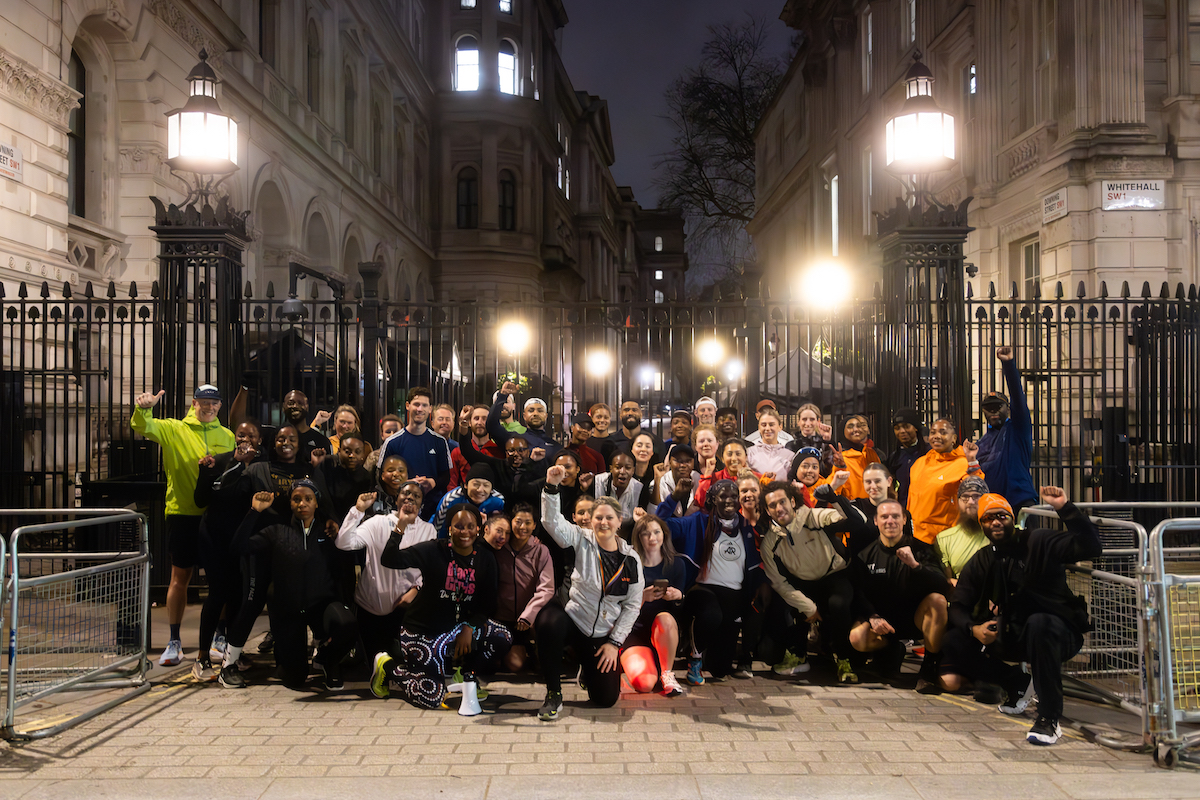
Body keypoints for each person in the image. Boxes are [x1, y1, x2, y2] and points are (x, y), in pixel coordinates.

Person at [941, 487, 1101, 746]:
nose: (995, 522)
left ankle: (1048, 717)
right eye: (988, 518)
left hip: (1058, 633)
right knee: (953, 640)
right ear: (981, 525)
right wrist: (974, 629)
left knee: (1039, 623)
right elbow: (958, 606)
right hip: (1015, 633)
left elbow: (1091, 547)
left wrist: (1064, 507)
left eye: (1001, 516)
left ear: (1012, 519)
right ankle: (1017, 683)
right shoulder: (984, 559)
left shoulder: (1039, 541)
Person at [371, 503, 511, 715]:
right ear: (449, 528)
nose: (465, 532)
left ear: (478, 529)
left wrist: (470, 627)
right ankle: (387, 665)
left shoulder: (485, 558)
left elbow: (488, 603)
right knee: (431, 698)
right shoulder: (433, 549)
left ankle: (466, 675)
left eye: (470, 526)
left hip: (458, 627)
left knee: (502, 635)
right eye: (459, 526)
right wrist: (401, 525)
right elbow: (389, 559)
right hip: (423, 631)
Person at [131, 384, 235, 666]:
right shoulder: (175, 429)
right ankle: (174, 641)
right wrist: (144, 408)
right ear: (194, 403)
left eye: (214, 402)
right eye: (204, 402)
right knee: (180, 577)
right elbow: (143, 426)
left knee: (219, 579)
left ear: (220, 405)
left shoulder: (227, 436)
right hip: (183, 513)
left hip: (215, 515)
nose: (209, 407)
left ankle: (220, 636)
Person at [537, 470, 644, 720]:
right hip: (574, 620)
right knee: (548, 622)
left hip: (601, 633)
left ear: (619, 521)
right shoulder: (580, 538)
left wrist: (614, 643)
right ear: (591, 520)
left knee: (605, 700)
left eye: (609, 518)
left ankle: (588, 668)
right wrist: (551, 487)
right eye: (598, 518)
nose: (603, 522)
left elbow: (632, 605)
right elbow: (551, 523)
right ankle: (554, 693)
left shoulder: (631, 559)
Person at [233, 483, 359, 690]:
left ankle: (327, 660)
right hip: (288, 610)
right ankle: (287, 658)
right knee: (296, 678)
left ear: (316, 503)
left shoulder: (328, 532)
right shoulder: (276, 531)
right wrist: (254, 511)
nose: (302, 504)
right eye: (297, 499)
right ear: (290, 504)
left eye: (308, 499)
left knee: (347, 624)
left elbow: (340, 569)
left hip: (320, 606)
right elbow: (239, 547)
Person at [657, 479, 761, 684]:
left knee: (720, 669)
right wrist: (674, 497)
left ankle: (707, 651)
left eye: (734, 496)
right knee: (711, 615)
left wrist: (759, 586)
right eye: (723, 496)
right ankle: (694, 658)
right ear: (713, 500)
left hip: (734, 595)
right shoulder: (698, 522)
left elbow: (752, 563)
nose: (729, 500)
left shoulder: (745, 527)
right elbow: (660, 524)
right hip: (703, 590)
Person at [760, 481, 861, 684]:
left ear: (792, 501)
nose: (779, 508)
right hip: (803, 584)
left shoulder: (813, 517)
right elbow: (779, 583)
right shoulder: (769, 543)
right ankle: (798, 654)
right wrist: (808, 607)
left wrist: (835, 499)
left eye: (782, 502)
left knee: (838, 604)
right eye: (772, 505)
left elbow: (856, 521)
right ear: (767, 510)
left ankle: (844, 659)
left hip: (834, 576)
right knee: (789, 608)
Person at [849, 498, 951, 694]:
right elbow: (858, 594)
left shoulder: (921, 549)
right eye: (884, 517)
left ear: (904, 520)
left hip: (916, 620)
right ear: (876, 521)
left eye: (895, 516)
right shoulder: (865, 555)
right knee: (857, 637)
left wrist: (915, 566)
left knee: (938, 601)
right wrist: (872, 617)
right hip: (884, 623)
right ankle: (888, 651)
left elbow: (942, 586)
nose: (890, 521)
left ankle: (929, 667)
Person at [192, 420, 263, 680]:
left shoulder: (261, 466)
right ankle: (202, 657)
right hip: (214, 536)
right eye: (241, 435)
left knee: (237, 595)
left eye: (251, 436)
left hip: (242, 539)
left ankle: (232, 654)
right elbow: (201, 499)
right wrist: (233, 464)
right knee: (218, 593)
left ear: (259, 441)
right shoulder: (220, 461)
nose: (245, 439)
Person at [337, 482, 437, 659]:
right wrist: (357, 511)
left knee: (399, 660)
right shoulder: (378, 523)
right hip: (370, 606)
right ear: (396, 499)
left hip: (404, 608)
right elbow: (343, 543)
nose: (410, 497)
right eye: (406, 493)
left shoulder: (428, 530)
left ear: (421, 503)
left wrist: (416, 589)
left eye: (416, 495)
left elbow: (429, 568)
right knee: (372, 660)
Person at [621, 514, 687, 697]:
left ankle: (667, 673)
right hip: (635, 632)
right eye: (646, 533)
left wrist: (678, 596)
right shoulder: (629, 564)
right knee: (645, 685)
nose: (652, 538)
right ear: (638, 537)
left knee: (665, 618)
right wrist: (641, 598)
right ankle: (643, 665)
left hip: (664, 634)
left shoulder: (677, 564)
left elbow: (680, 613)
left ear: (664, 534)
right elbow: (618, 608)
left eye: (657, 532)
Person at [492, 502, 554, 672]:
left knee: (518, 664)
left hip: (528, 619)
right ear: (511, 522)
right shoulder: (499, 547)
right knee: (503, 664)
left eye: (528, 523)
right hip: (501, 617)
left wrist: (529, 615)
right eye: (518, 522)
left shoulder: (541, 550)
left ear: (534, 525)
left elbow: (546, 588)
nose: (522, 527)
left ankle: (533, 650)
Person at [976, 346, 1038, 511]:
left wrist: (1008, 364)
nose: (993, 411)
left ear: (1008, 409)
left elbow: (1018, 399)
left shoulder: (1017, 429)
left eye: (998, 406)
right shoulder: (981, 442)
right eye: (988, 408)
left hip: (1020, 502)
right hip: (993, 505)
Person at [379, 387, 454, 518]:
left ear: (430, 409)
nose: (420, 409)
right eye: (416, 404)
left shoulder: (440, 442)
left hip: (433, 511)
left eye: (424, 405)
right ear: (408, 406)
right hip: (400, 510)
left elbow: (446, 476)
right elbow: (381, 477)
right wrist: (406, 484)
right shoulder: (392, 442)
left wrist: (432, 482)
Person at [906, 419, 983, 544]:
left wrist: (972, 460)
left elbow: (977, 488)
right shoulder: (919, 463)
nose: (937, 436)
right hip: (915, 536)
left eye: (943, 432)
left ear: (954, 438)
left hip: (943, 538)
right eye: (933, 432)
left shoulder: (963, 463)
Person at [933, 477, 990, 582]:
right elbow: (948, 581)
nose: (970, 502)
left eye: (976, 496)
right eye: (965, 497)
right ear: (958, 501)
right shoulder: (944, 539)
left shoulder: (998, 531)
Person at [312, 429, 373, 521]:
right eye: (347, 451)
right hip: (324, 520)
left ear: (363, 454)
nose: (352, 455)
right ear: (339, 451)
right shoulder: (327, 464)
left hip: (352, 522)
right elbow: (321, 496)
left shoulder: (365, 477)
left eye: (357, 451)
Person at [431, 463, 505, 537]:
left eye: (486, 485)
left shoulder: (499, 501)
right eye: (476, 484)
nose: (480, 490)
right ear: (465, 485)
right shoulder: (451, 499)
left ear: (491, 489)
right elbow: (437, 528)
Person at [884, 408, 931, 508]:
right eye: (897, 428)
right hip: (902, 510)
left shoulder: (931, 453)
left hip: (926, 508)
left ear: (916, 428)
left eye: (906, 426)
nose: (902, 431)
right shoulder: (894, 458)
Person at [449, 405, 502, 489]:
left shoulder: (499, 451)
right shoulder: (457, 452)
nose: (479, 422)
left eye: (484, 419)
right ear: (470, 422)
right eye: (476, 418)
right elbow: (452, 482)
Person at [836, 415, 882, 499]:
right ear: (842, 431)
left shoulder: (871, 453)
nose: (856, 429)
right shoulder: (839, 458)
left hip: (875, 503)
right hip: (851, 505)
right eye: (850, 426)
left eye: (859, 426)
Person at [280, 390, 333, 460]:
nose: (295, 406)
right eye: (291, 403)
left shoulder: (321, 441)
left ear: (307, 407)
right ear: (283, 407)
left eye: (300, 403)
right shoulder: (276, 438)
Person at [592, 451, 645, 521]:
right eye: (617, 467)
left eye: (628, 468)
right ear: (611, 468)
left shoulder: (639, 489)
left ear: (633, 470)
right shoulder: (598, 482)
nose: (622, 471)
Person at [747, 409, 794, 479]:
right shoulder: (749, 453)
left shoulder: (790, 456)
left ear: (780, 427)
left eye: (771, 425)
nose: (767, 428)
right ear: (759, 427)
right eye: (764, 425)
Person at [653, 444, 699, 514]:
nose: (683, 465)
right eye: (678, 461)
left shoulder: (698, 479)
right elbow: (653, 513)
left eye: (688, 461)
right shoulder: (661, 481)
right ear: (670, 462)